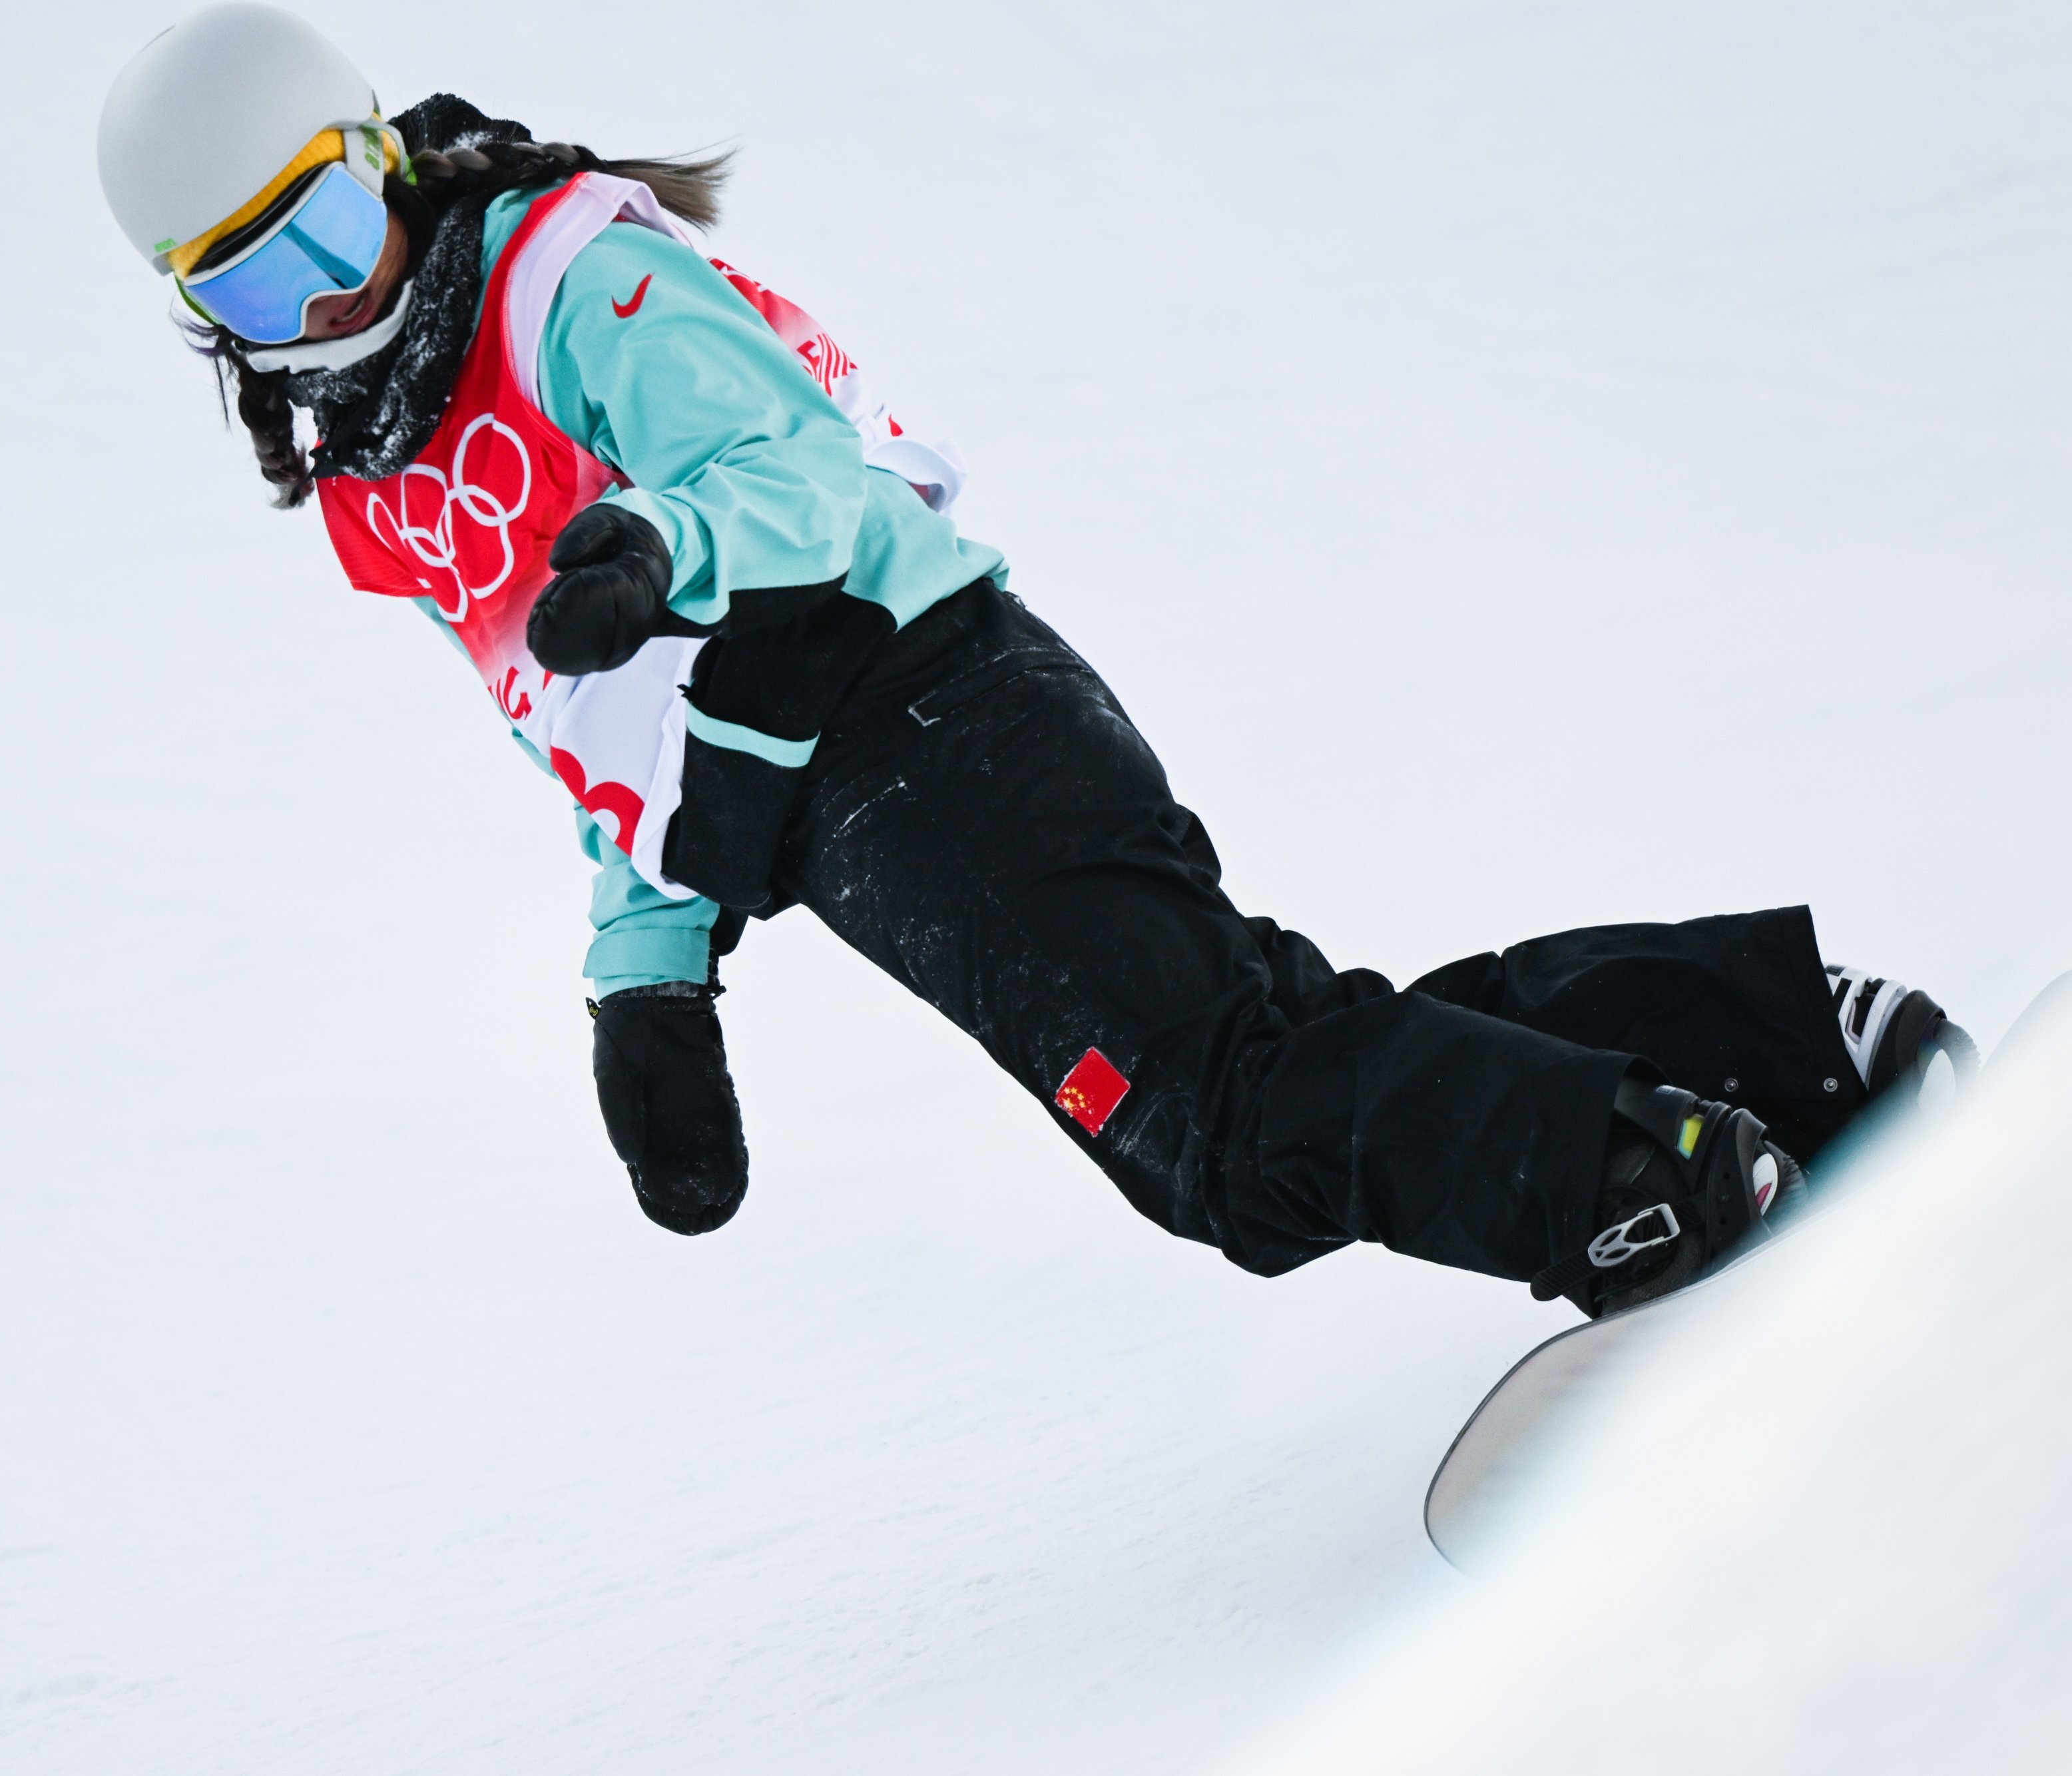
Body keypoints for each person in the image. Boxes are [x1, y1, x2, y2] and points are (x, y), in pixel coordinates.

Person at [95, 4, 1974, 1319]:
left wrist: (663, 539)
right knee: (1250, 1063)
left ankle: (1640, 1169)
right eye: (257, 287)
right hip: (840, 813)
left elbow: (798, 483)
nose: (325, 298)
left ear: (385, 160)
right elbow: (596, 718)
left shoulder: (569, 280)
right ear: (209, 324)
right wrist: (644, 968)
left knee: (1224, 1130)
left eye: (333, 224)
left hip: (922, 701)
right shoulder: (398, 480)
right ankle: (1787, 1044)